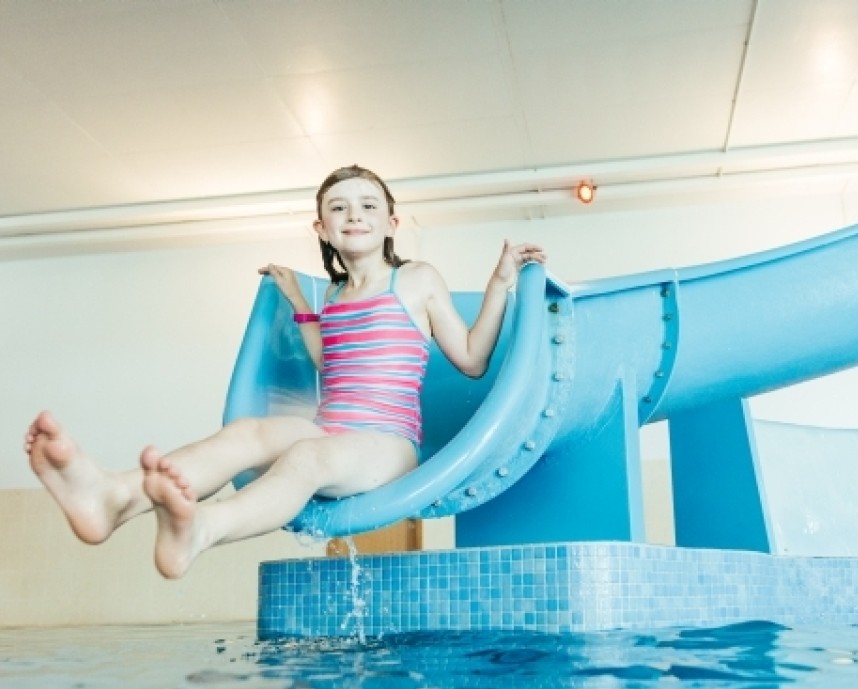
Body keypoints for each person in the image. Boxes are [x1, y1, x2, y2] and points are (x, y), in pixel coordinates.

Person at [24, 165, 546, 580]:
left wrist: (499, 282)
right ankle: (113, 497)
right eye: (338, 208)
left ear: (392, 222)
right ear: (322, 229)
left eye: (369, 205)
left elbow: (473, 360)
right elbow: (328, 364)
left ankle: (203, 527)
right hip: (330, 423)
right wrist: (300, 299)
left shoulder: (416, 280)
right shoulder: (336, 295)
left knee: (306, 455)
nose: (354, 214)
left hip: (387, 440)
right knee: (246, 433)